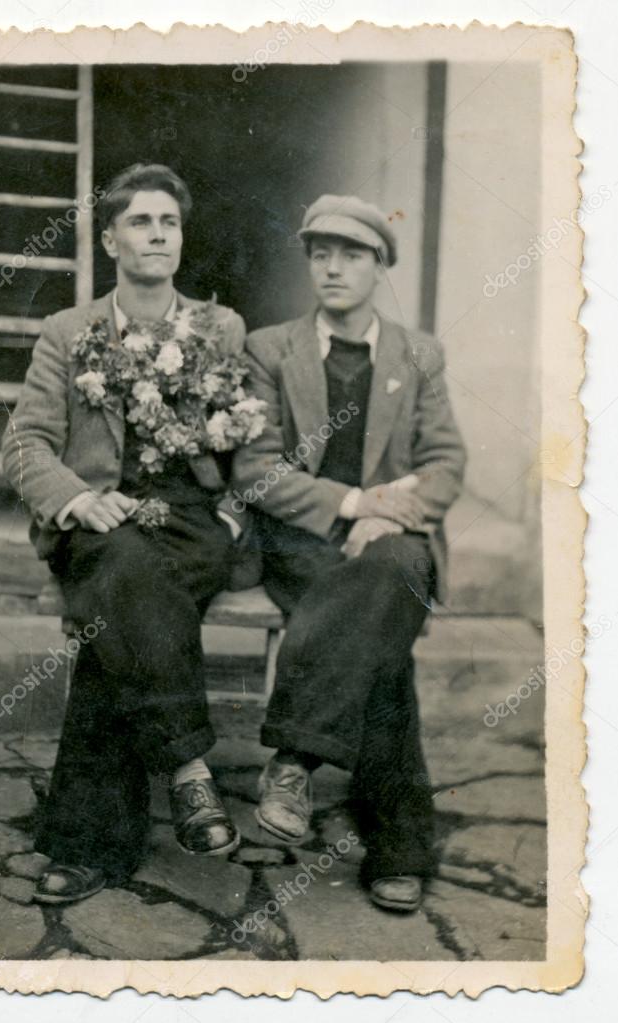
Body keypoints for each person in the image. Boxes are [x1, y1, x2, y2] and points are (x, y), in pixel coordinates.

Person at [1, 164, 247, 905]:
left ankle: (85, 842)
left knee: (119, 611)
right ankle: (189, 771)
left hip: (191, 518)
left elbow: (249, 437)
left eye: (168, 222)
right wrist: (74, 501)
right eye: (140, 221)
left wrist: (236, 508)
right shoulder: (67, 332)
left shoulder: (218, 327)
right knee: (121, 573)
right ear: (110, 238)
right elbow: (24, 444)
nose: (157, 235)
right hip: (104, 516)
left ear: (181, 237)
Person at [232, 194, 466, 912]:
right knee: (381, 641)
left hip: (394, 543)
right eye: (320, 253)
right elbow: (256, 470)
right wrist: (353, 505)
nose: (333, 268)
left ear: (378, 267)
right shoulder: (269, 349)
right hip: (307, 543)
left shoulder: (417, 354)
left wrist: (390, 515)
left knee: (391, 571)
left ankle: (295, 757)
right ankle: (398, 845)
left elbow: (444, 461)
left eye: (352, 254)